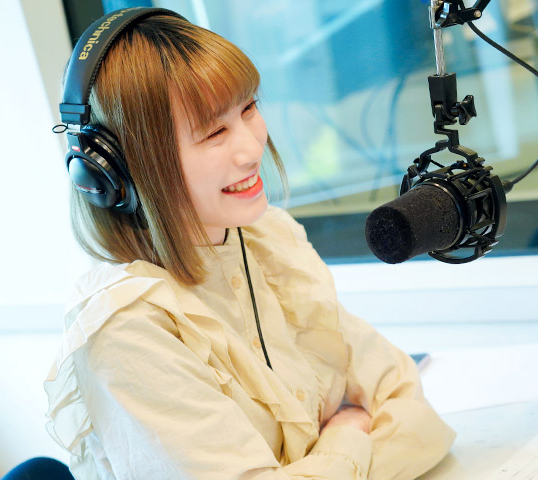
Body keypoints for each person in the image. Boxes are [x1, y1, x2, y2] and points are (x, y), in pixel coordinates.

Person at [44, 7, 455, 480]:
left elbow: (414, 414)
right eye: (214, 132)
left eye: (248, 109)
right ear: (117, 172)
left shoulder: (268, 238)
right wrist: (347, 433)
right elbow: (386, 424)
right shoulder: (126, 330)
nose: (252, 147)